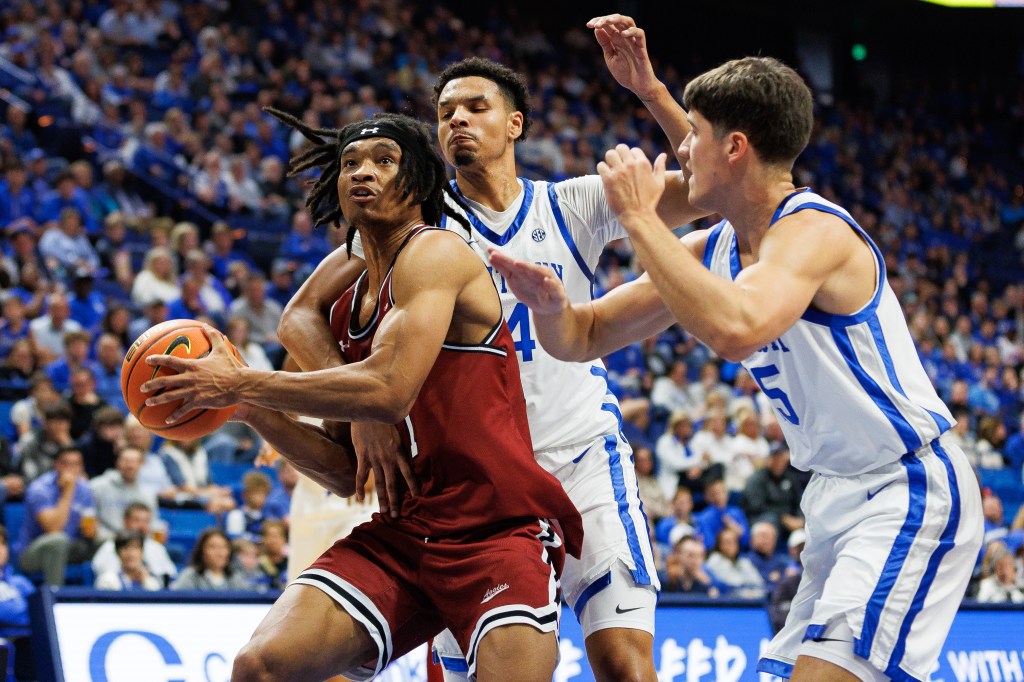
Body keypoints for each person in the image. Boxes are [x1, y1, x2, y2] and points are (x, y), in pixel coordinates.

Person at [491, 48, 985, 681]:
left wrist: (640, 218)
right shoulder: (715, 248)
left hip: (906, 485)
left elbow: (736, 328)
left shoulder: (815, 231)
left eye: (694, 134)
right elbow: (584, 337)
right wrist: (551, 307)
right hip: (833, 496)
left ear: (736, 148)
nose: (681, 148)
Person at [275, 16, 706, 679]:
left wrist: (649, 90)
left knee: (625, 665)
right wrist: (366, 408)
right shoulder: (413, 225)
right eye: (446, 112)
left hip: (581, 458)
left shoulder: (574, 204)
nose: (457, 121)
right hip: (473, 488)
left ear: (516, 125)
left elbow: (708, 193)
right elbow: (299, 317)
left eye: (477, 108)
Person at [142, 112, 585, 682]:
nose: (361, 173)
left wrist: (241, 382)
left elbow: (388, 389)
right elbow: (345, 474)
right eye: (350, 163)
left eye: (383, 160)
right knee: (260, 667)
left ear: (420, 183)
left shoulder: (437, 252)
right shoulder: (343, 305)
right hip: (405, 531)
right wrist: (250, 411)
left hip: (495, 529)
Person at [15, 446, 98, 586]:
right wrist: (68, 491)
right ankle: (54, 595)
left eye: (76, 464)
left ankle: (104, 596)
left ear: (81, 467)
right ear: (56, 465)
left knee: (104, 542)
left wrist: (92, 531)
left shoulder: (85, 489)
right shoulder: (39, 489)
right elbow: (54, 529)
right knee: (58, 541)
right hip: (32, 554)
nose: (71, 469)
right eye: (66, 463)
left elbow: (90, 526)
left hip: (69, 547)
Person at [91, 501, 177, 585]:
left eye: (145, 521)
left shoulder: (157, 548)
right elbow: (103, 577)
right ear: (125, 521)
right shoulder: (110, 546)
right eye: (137, 520)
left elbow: (170, 577)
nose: (141, 526)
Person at [170, 528, 251, 591]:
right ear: (202, 551)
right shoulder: (190, 577)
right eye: (213, 547)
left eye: (224, 547)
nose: (220, 553)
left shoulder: (235, 578)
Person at [94, 530, 162, 591]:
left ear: (142, 552)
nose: (130, 554)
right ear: (117, 552)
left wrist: (145, 581)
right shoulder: (108, 580)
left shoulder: (152, 582)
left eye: (135, 548)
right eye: (125, 548)